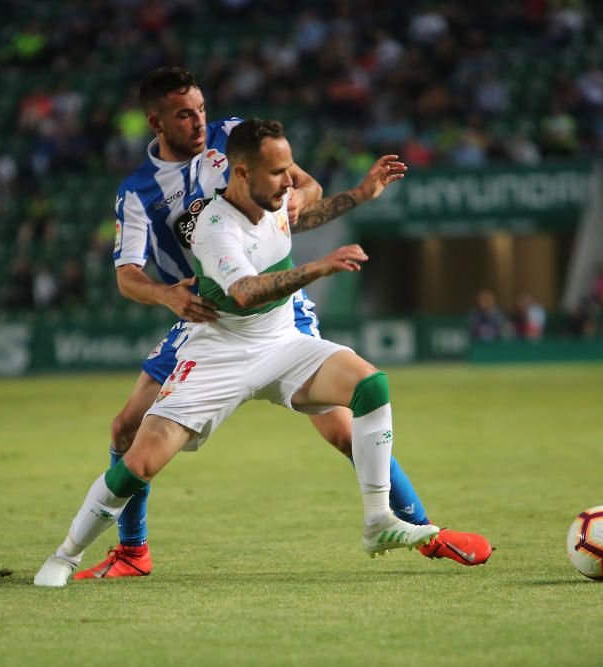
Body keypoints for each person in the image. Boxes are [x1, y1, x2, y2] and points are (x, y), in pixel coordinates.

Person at [34, 119, 491, 586]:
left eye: (290, 168)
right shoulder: (213, 228)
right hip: (221, 352)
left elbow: (302, 217)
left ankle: (380, 522)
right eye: (279, 173)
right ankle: (66, 555)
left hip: (281, 341)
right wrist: (318, 267)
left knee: (369, 385)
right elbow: (248, 291)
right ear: (241, 173)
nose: (291, 181)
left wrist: (359, 194)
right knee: (140, 461)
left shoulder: (270, 200)